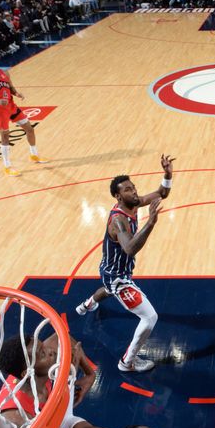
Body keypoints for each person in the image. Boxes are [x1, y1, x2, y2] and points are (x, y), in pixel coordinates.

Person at [75, 157, 175, 372]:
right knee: (150, 317)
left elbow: (162, 193)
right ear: (119, 196)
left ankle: (87, 304)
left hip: (111, 269)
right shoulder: (118, 220)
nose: (134, 191)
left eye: (134, 187)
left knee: (108, 290)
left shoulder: (134, 203)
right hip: (117, 277)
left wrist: (167, 175)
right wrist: (150, 222)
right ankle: (127, 362)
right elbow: (130, 248)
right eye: (129, 190)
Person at [0, 54, 48, 176]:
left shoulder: (4, 73)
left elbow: (10, 87)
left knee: (29, 129)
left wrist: (16, 93)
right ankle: (7, 166)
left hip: (11, 106)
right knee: (5, 138)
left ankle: (34, 155)